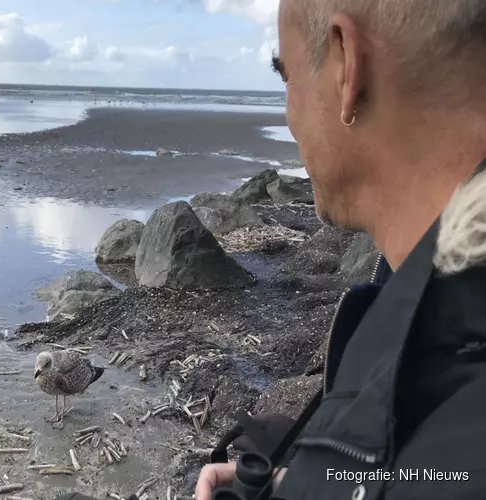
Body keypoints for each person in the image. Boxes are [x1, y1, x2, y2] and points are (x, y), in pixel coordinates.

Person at [197, 0, 486, 498]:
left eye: (285, 77)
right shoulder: (421, 303)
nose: (288, 117)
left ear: (345, 65)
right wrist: (316, 482)